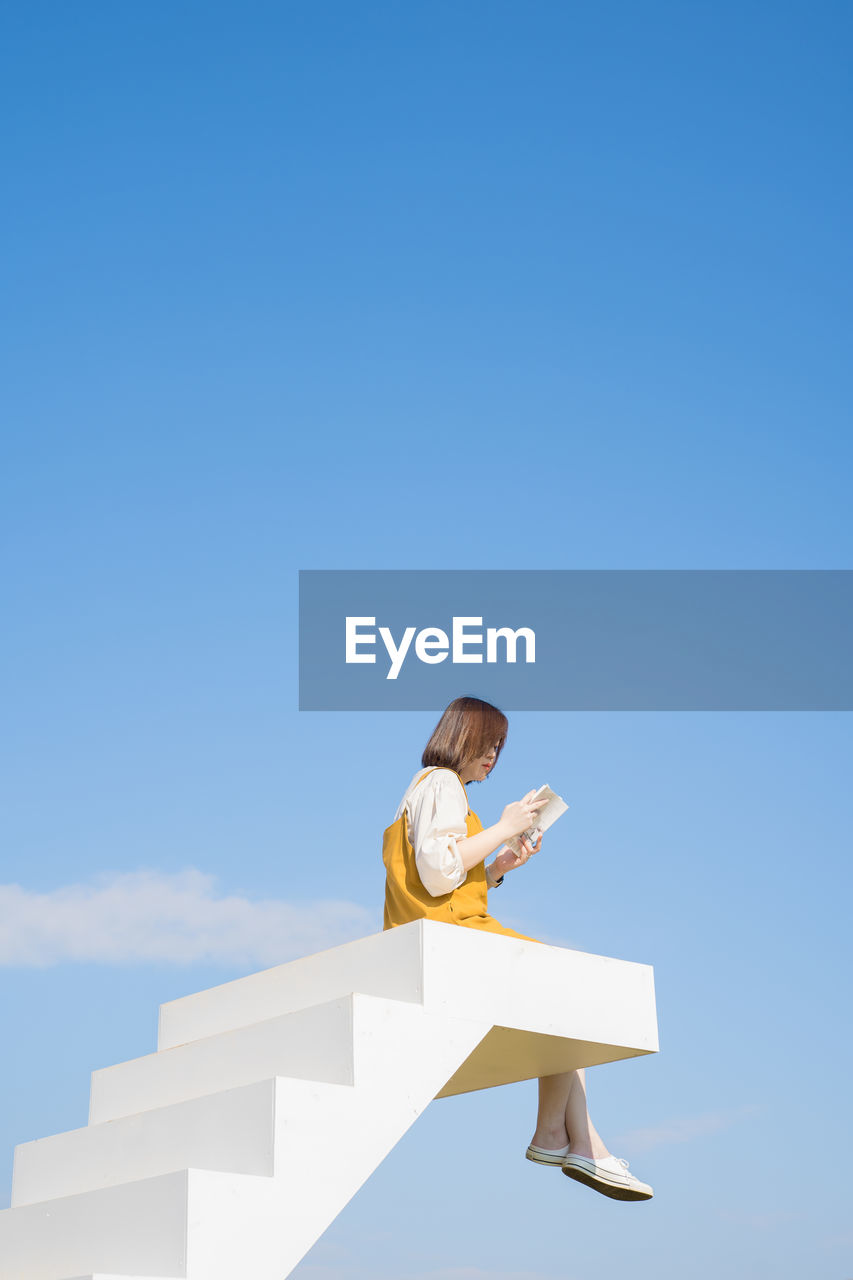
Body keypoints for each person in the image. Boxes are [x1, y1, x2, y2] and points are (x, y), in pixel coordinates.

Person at [382, 695, 653, 1202]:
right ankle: (565, 1138)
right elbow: (438, 873)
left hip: (443, 927)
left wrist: (500, 864)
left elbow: (440, 871)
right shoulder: (442, 783)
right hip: (449, 933)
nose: (492, 755)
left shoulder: (437, 789)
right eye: (487, 743)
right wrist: (506, 826)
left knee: (562, 1006)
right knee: (564, 990)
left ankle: (566, 1139)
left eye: (499, 747)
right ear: (461, 736)